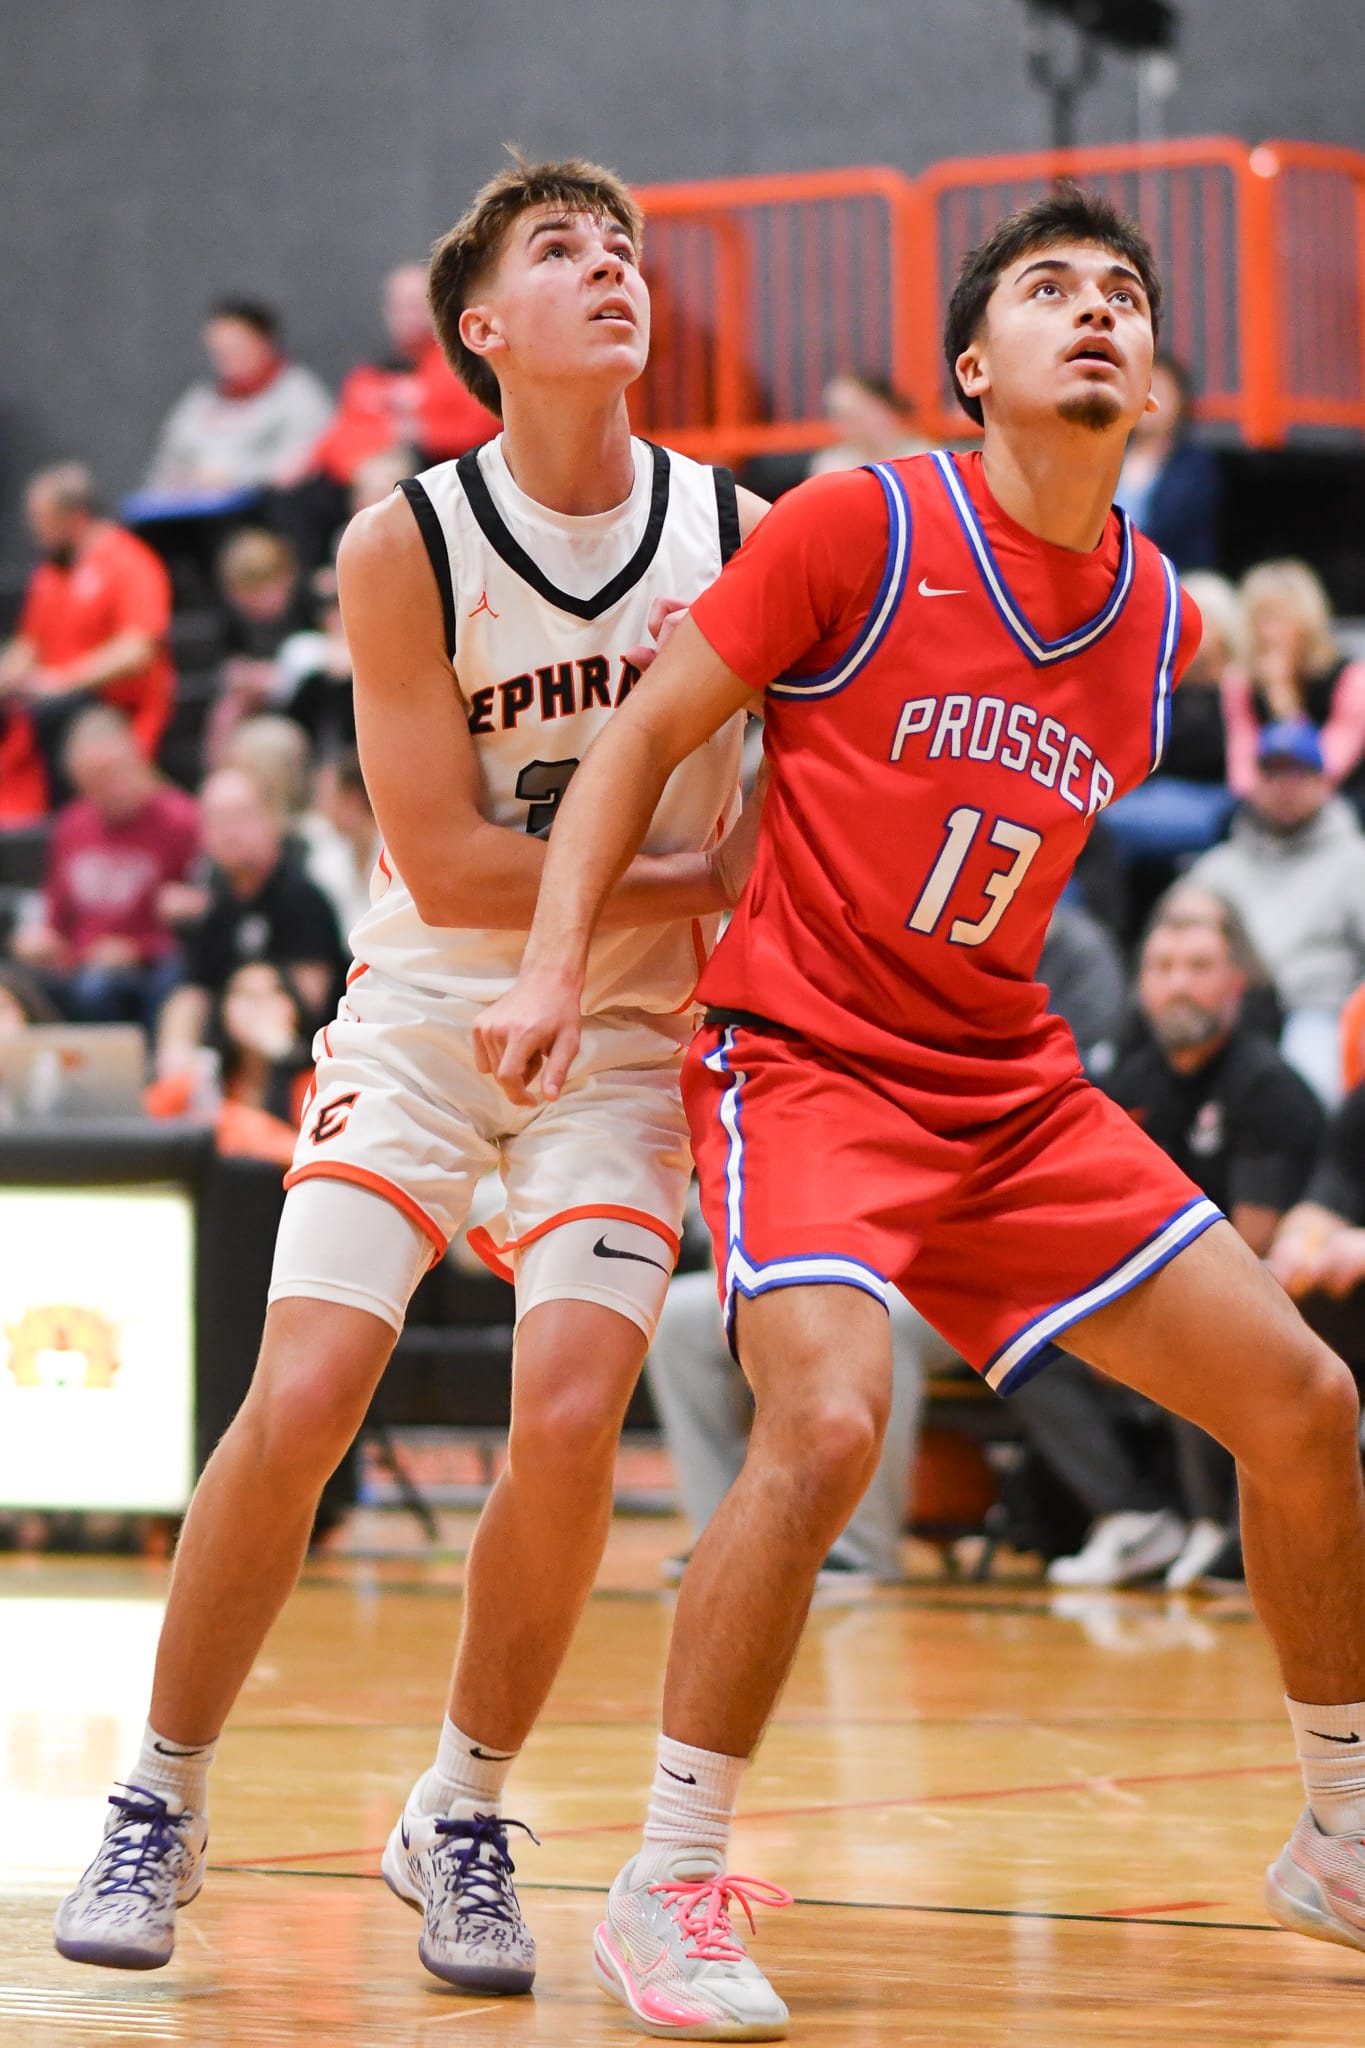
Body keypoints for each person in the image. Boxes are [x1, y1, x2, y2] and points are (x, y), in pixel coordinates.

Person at [477, 185, 1365, 2032]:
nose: (1099, 312)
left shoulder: (1149, 626)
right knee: (822, 1423)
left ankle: (1343, 1829)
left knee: (1308, 1402)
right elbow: (641, 736)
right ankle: (667, 1877)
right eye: (1051, 291)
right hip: (804, 1056)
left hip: (1007, 1087)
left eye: (1124, 292)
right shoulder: (864, 521)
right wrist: (557, 963)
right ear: (976, 369)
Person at [54, 155, 763, 1998]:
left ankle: (461, 1806)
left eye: (625, 250)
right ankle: (162, 1788)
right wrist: (693, 879)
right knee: (302, 1392)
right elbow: (444, 861)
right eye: (561, 252)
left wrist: (700, 914)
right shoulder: (403, 544)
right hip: (433, 1008)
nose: (610, 269)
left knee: (571, 1405)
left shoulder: (741, 533)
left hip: (621, 1036)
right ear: (482, 328)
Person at [1026, 894, 1323, 1590]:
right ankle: (1133, 1514)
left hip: (1262, 1302)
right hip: (1147, 1292)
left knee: (1202, 1329)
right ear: (1140, 985)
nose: (1178, 983)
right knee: (1030, 1340)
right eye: (1162, 967)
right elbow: (1084, 1211)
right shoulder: (1126, 1085)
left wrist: (1127, 1313)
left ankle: (1214, 1525)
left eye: (1198, 966)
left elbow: (1252, 1248)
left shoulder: (1267, 1088)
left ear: (1233, 984)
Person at [275, 262, 499, 572]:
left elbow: (485, 427)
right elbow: (344, 429)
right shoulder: (369, 374)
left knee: (388, 483)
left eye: (414, 305)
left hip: (437, 471)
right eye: (397, 306)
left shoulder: (466, 365)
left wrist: (419, 433)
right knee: (299, 495)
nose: (405, 315)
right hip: (362, 469)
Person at [1186, 719, 1365, 1105]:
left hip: (1316, 1011)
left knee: (1309, 1080)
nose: (1285, 786)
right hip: (1227, 1014)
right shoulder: (1218, 867)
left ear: (1324, 781)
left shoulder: (1355, 862)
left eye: (1298, 772)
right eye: (1272, 771)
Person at [8, 707, 199, 1030]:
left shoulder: (181, 821)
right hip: (80, 963)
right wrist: (44, 941)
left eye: (111, 774)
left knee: (100, 989)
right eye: (91, 781)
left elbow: (200, 919)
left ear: (138, 760)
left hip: (149, 969)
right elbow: (57, 916)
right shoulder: (72, 825)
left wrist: (138, 950)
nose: (104, 788)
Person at [0, 463, 176, 798]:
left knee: (51, 713)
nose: (34, 531)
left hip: (112, 707)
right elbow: (30, 644)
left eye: (42, 520)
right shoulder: (50, 573)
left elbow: (138, 648)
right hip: (52, 697)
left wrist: (64, 681)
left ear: (75, 517)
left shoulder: (130, 562)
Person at [155, 765, 344, 1071]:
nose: (230, 832)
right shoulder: (216, 907)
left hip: (306, 1059)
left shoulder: (302, 897)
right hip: (230, 1056)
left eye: (241, 816)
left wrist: (250, 995)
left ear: (272, 820)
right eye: (217, 821)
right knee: (181, 1002)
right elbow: (196, 987)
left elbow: (311, 999)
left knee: (258, 991)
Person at [1101, 568, 1240, 871]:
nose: (1182, 631)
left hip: (1214, 795)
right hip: (1148, 792)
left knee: (1105, 823)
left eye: (1198, 621)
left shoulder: (1238, 687)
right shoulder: (1159, 684)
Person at [143, 299, 333, 501]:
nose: (227, 359)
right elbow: (164, 471)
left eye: (237, 347)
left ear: (264, 343)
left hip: (263, 509)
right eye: (219, 351)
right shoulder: (198, 403)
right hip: (193, 513)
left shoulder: (298, 393)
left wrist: (234, 479)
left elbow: (301, 464)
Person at [1223, 559, 1365, 813]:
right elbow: (1241, 776)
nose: (1267, 634)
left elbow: (1326, 766)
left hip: (1339, 806)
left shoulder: (1351, 678)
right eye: (1259, 621)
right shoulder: (1241, 683)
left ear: (1307, 622)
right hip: (1266, 808)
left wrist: (1284, 702)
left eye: (1278, 619)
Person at [1113, 354, 1221, 570]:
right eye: (1145, 392)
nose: (1150, 403)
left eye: (1161, 394)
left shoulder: (1195, 466)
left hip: (1173, 570)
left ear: (1180, 403)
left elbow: (1175, 524)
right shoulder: (1109, 453)